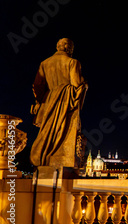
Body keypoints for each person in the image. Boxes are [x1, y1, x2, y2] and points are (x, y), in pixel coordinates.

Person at [31, 38, 88, 168]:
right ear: (69, 48)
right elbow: (76, 84)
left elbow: (37, 85)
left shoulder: (44, 63)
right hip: (65, 101)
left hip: (49, 101)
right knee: (62, 131)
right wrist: (85, 85)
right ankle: (59, 158)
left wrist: (40, 101)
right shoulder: (73, 62)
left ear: (58, 47)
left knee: (47, 132)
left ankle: (41, 156)